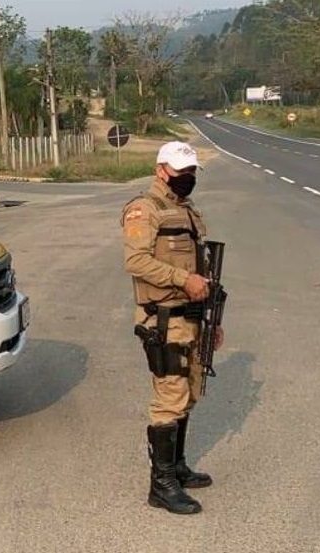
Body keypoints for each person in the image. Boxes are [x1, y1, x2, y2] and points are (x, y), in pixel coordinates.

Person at [119, 141, 224, 515]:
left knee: (190, 392)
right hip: (163, 319)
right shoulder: (144, 210)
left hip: (193, 315)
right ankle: (160, 485)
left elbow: (205, 270)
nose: (188, 179)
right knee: (169, 397)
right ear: (161, 169)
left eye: (192, 172)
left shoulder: (188, 211)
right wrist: (182, 279)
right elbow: (136, 261)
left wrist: (212, 320)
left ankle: (176, 468)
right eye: (182, 173)